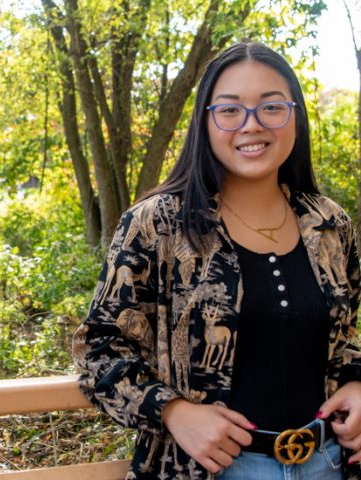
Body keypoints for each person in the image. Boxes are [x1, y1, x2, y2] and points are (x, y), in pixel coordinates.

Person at [72, 42, 361, 480]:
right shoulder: (157, 225)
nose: (251, 125)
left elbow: (346, 334)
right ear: (205, 121)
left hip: (328, 462)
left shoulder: (329, 225)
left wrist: (357, 381)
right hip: (207, 469)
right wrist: (172, 411)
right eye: (229, 110)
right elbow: (97, 348)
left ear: (296, 116)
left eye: (271, 107)